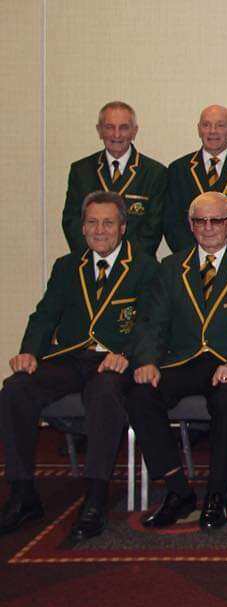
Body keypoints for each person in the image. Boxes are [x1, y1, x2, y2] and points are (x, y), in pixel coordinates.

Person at [0, 192, 157, 541]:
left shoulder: (145, 267)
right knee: (14, 390)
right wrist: (29, 352)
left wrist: (129, 354)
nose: (99, 230)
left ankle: (95, 498)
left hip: (115, 362)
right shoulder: (67, 266)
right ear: (83, 227)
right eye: (92, 222)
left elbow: (150, 322)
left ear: (123, 227)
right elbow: (44, 317)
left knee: (104, 396)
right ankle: (23, 493)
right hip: (70, 356)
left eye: (108, 222)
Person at [125, 191, 227, 531]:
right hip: (185, 360)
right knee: (139, 393)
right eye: (200, 221)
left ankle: (216, 495)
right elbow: (153, 323)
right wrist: (146, 360)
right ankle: (178, 491)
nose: (208, 228)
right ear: (190, 226)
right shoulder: (172, 266)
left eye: (216, 220)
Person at [62, 101, 167, 255]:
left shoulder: (154, 173)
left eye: (123, 127)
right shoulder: (81, 171)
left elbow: (153, 228)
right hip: (90, 265)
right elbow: (72, 221)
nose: (116, 134)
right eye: (109, 127)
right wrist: (96, 258)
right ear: (99, 130)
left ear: (134, 131)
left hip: (137, 268)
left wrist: (124, 261)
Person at [165, 105, 227, 252]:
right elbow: (172, 223)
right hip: (190, 261)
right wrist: (197, 256)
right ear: (198, 129)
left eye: (220, 125)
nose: (212, 131)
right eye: (206, 125)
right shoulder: (178, 170)